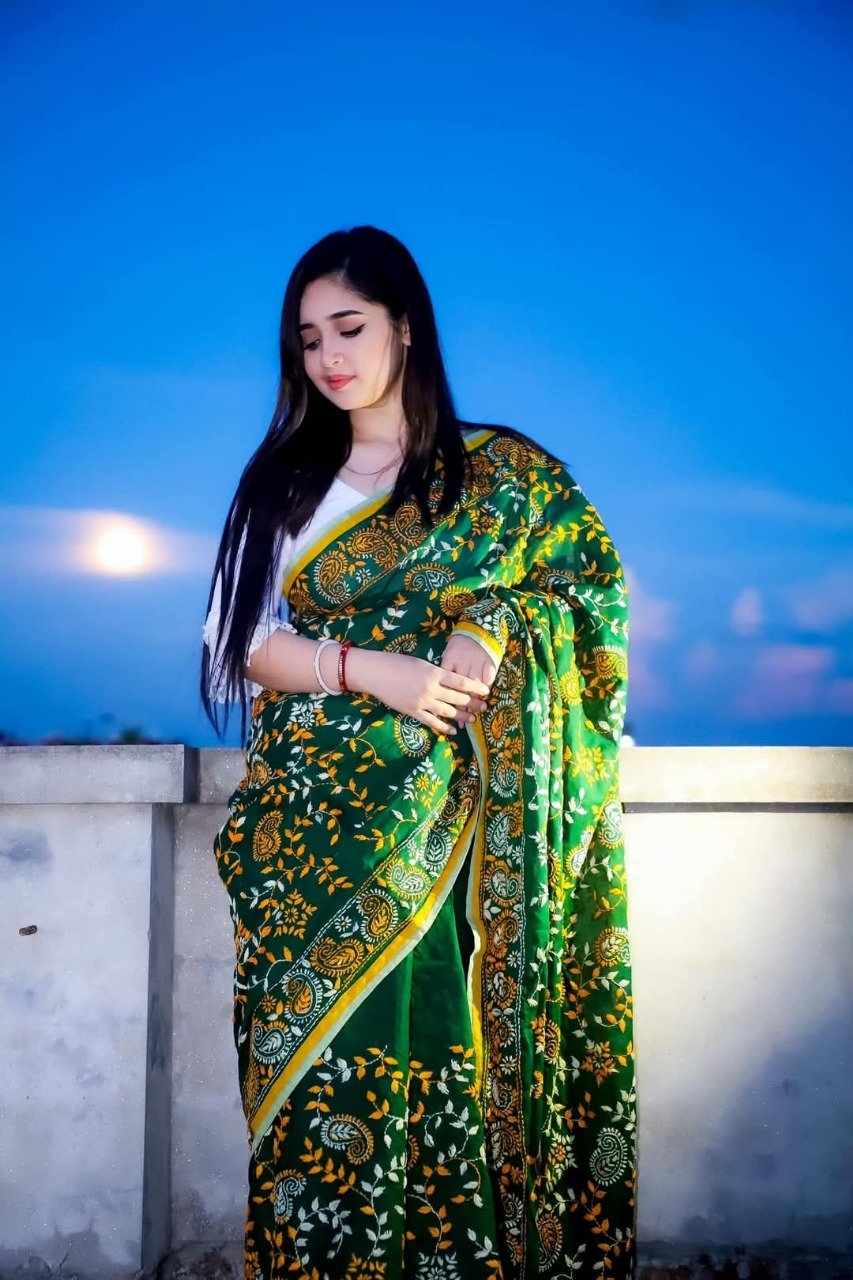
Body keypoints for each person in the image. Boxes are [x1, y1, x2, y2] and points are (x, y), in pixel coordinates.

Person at [201, 225, 636, 1280]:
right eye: (308, 338)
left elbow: (586, 594)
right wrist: (369, 670)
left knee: (450, 1043)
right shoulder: (283, 483)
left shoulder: (502, 477)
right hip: (313, 837)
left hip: (460, 829)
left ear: (404, 326)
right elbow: (239, 645)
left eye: (348, 327)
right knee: (317, 1078)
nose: (328, 356)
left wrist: (494, 622)